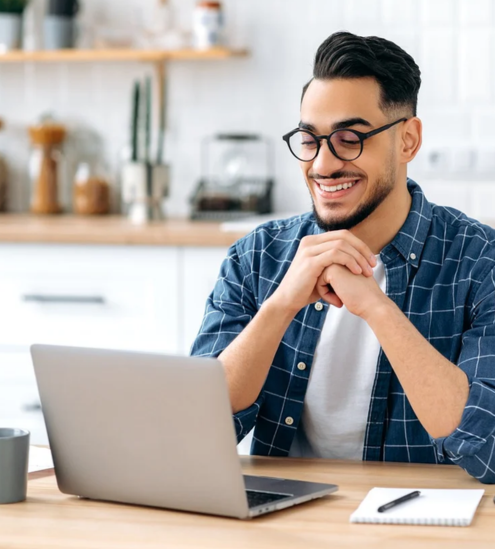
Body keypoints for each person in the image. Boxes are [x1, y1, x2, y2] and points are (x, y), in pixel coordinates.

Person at [191, 31, 495, 483]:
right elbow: (197, 429)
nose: (322, 165)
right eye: (310, 140)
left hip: (418, 525)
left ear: (408, 140)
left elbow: (486, 448)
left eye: (349, 138)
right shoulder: (257, 257)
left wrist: (376, 307)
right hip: (282, 521)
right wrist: (280, 306)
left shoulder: (479, 261)